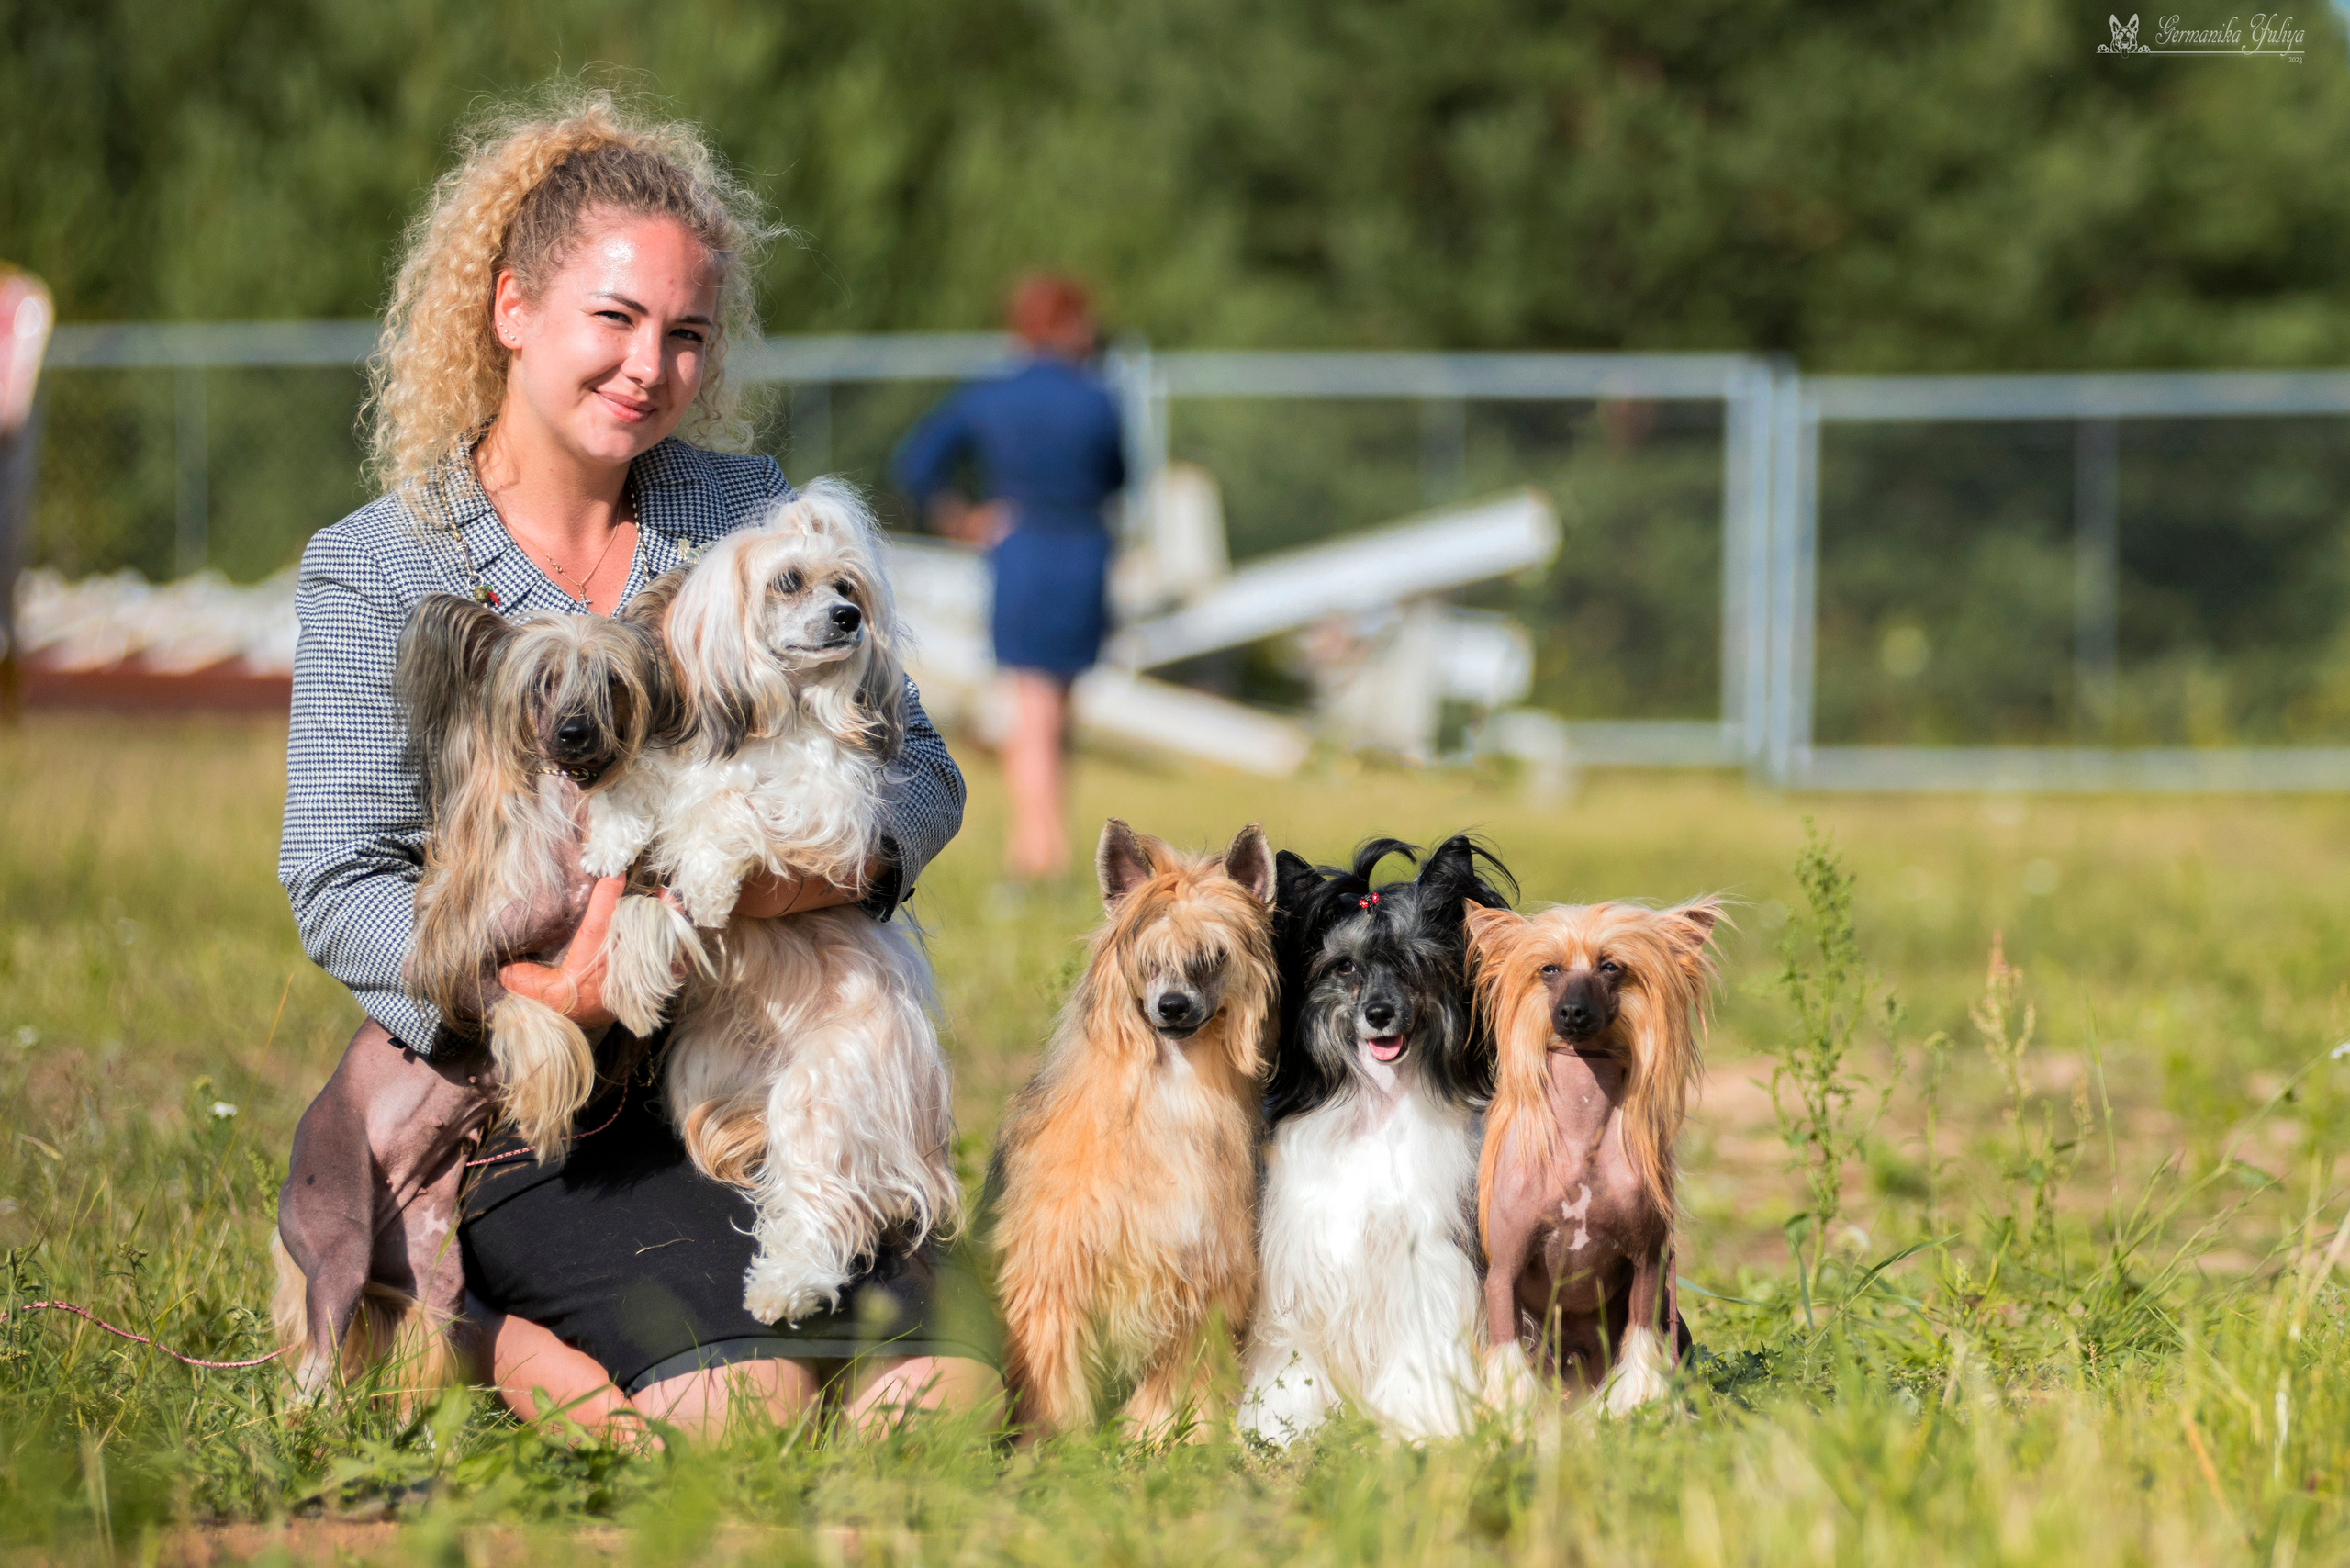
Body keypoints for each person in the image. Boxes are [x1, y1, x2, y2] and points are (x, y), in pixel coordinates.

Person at [275, 90, 996, 1441]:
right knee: (742, 1412)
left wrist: (761, 888)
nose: (646, 367)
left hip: (754, 1071)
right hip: (541, 1102)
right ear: (510, 312)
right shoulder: (380, 566)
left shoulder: (739, 516)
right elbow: (335, 874)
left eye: (685, 335)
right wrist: (543, 995)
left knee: (941, 1402)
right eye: (612, 319)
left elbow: (926, 779)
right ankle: (482, 1330)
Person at [890, 275, 1127, 882]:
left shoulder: (993, 394)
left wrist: (961, 517)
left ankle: (1036, 853)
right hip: (1084, 553)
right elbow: (1120, 478)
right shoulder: (1097, 396)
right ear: (1070, 324)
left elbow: (917, 461)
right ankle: (1045, 850)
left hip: (1022, 554)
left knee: (1033, 707)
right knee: (1057, 708)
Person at [0, 265, 53, 722]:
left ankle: (10, 688)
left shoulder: (25, 301)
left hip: (8, 449)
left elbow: (11, 410)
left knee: (7, 563)